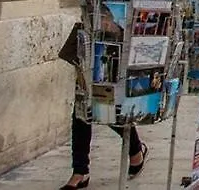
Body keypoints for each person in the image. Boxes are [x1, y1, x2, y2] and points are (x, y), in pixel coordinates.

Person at [59, 24, 149, 190]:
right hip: (93, 30)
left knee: (108, 104)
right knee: (83, 104)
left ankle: (135, 148)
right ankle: (80, 171)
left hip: (123, 34)